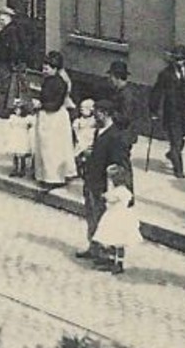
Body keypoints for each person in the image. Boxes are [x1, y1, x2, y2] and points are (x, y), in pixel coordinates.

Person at [78, 101, 136, 261]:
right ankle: (94, 248)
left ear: (105, 113)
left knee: (105, 220)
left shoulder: (116, 136)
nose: (94, 116)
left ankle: (107, 255)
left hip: (104, 185)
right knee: (91, 216)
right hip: (92, 180)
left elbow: (120, 165)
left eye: (96, 112)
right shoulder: (99, 131)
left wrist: (116, 187)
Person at [149, 45, 185, 179]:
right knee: (176, 141)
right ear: (172, 60)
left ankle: (172, 154)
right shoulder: (165, 74)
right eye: (176, 59)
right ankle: (178, 169)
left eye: (181, 59)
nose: (179, 62)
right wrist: (153, 110)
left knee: (183, 140)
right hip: (172, 113)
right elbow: (157, 92)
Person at [31, 52, 77, 188]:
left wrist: (41, 105)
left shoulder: (59, 83)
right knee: (44, 146)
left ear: (55, 69)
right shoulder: (48, 80)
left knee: (52, 147)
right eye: (43, 68)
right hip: (46, 116)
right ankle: (44, 174)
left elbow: (56, 104)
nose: (44, 71)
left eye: (47, 68)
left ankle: (54, 178)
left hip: (54, 118)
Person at [90, 162, 139, 275]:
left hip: (115, 217)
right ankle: (116, 262)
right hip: (122, 216)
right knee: (117, 242)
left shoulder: (117, 192)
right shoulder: (125, 191)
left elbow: (108, 197)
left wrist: (103, 195)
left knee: (115, 240)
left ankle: (116, 263)